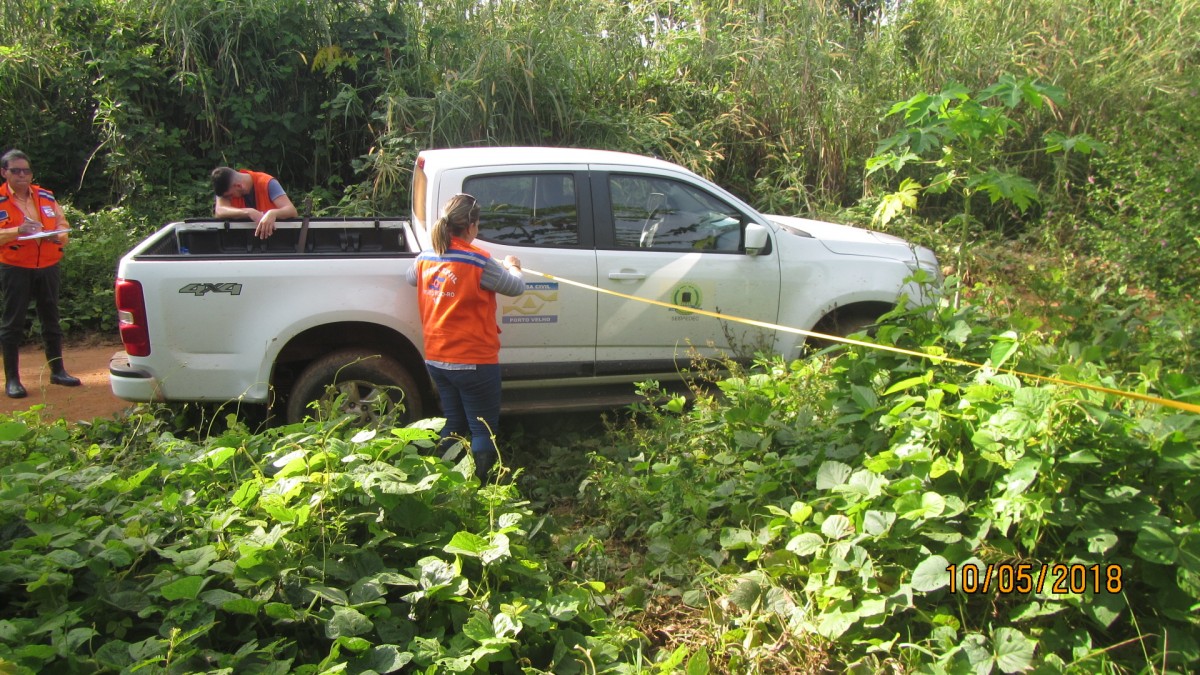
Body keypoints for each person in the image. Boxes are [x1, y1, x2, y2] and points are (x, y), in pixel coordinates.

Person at [406, 194, 525, 482]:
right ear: (471, 226)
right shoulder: (479, 261)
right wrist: (513, 265)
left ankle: (441, 479)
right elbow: (515, 287)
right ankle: (482, 486)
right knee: (483, 429)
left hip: (437, 359)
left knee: (454, 423)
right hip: (474, 361)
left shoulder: (426, 257)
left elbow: (411, 278)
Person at [0, 149, 81, 398]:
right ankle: (12, 380)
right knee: (13, 323)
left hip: (47, 264)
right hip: (15, 266)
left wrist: (59, 236)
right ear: (4, 173)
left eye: (26, 171)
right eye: (16, 171)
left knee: (51, 318)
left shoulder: (45, 195)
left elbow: (62, 224)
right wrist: (17, 231)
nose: (22, 175)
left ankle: (58, 371)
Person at [211, 167, 298, 239]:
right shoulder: (225, 186)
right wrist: (249, 212)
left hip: (274, 239)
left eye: (230, 195)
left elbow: (291, 210)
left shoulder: (267, 182)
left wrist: (273, 213)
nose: (229, 198)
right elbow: (219, 211)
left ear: (238, 186)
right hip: (240, 241)